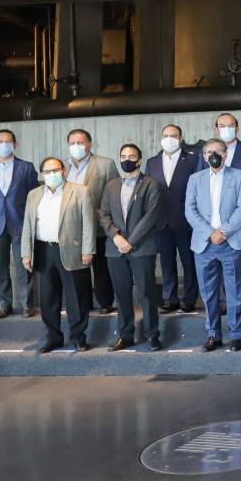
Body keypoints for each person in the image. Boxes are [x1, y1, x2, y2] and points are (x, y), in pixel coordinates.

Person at [20, 158, 96, 353]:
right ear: (42, 174)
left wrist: (88, 250)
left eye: (55, 170)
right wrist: (26, 253)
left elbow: (89, 223)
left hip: (72, 251)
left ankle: (78, 337)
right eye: (47, 171)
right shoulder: (33, 195)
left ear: (63, 171)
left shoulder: (80, 191)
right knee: (48, 299)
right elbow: (27, 225)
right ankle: (53, 338)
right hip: (43, 250)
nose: (52, 174)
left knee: (76, 297)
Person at [185, 138, 241, 352]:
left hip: (232, 242)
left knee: (235, 293)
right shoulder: (195, 179)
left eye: (218, 151)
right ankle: (213, 335)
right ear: (204, 157)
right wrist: (210, 233)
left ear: (225, 155)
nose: (214, 155)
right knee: (208, 294)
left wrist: (223, 232)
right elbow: (190, 210)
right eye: (209, 152)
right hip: (204, 244)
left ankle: (236, 335)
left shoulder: (239, 176)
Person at [100, 144, 164, 352]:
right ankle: (125, 335)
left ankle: (152, 335)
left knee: (147, 292)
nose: (127, 160)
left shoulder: (151, 184)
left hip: (142, 248)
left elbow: (150, 216)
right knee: (121, 294)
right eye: (123, 156)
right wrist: (116, 236)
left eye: (132, 156)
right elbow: (104, 214)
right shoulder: (111, 185)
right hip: (115, 249)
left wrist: (130, 242)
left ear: (139, 160)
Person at [201, 113, 241, 312]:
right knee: (215, 260)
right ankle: (222, 302)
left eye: (230, 125)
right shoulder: (207, 152)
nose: (226, 128)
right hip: (212, 221)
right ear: (216, 128)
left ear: (237, 128)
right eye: (222, 125)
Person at [0, 129, 39, 319]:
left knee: (25, 265)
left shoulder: (26, 167)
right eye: (1, 141)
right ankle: (5, 305)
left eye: (8, 141)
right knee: (0, 267)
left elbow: (34, 195)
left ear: (15, 144)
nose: (4, 144)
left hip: (20, 222)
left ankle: (27, 305)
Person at [146, 124, 199, 313]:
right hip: (161, 222)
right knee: (167, 263)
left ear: (181, 138)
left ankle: (190, 299)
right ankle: (170, 298)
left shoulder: (193, 160)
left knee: (189, 263)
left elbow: (198, 189)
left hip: (186, 221)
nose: (169, 139)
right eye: (166, 135)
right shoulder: (152, 162)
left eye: (174, 135)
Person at [66, 128, 120, 315]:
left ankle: (105, 303)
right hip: (72, 228)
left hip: (98, 224)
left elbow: (115, 193)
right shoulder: (62, 167)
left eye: (80, 142)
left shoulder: (105, 164)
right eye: (72, 143)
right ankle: (84, 305)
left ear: (89, 144)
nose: (76, 146)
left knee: (101, 267)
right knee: (77, 270)